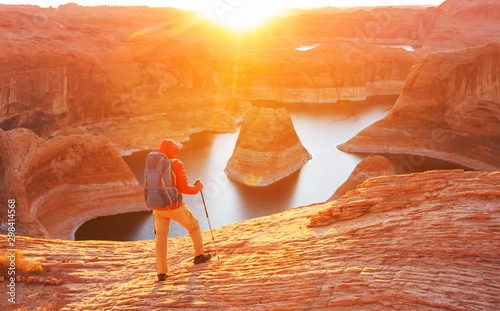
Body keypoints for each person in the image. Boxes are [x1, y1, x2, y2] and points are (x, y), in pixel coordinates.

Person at [149, 139, 212, 282]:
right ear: (174, 151)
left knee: (160, 239)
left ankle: (161, 273)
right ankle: (199, 255)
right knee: (194, 225)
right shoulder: (176, 164)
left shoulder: (153, 162)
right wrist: (198, 187)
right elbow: (184, 188)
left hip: (157, 207)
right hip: (174, 206)